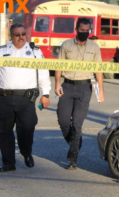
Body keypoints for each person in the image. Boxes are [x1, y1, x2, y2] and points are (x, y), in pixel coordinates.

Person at [0, 23, 51, 172]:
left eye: (23, 34)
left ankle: (26, 153)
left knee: (27, 128)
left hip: (26, 98)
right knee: (4, 132)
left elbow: (43, 73)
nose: (21, 37)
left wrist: (45, 94)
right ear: (11, 36)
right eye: (17, 34)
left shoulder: (34, 51)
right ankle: (9, 163)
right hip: (4, 98)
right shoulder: (2, 51)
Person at [55, 18, 105, 170]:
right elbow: (58, 66)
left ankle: (73, 156)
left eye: (87, 31)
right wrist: (57, 83)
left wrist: (101, 90)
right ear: (76, 29)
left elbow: (98, 70)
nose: (85, 33)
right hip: (67, 86)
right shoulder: (66, 45)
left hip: (85, 87)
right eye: (82, 31)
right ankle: (76, 141)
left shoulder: (94, 47)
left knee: (77, 123)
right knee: (63, 120)